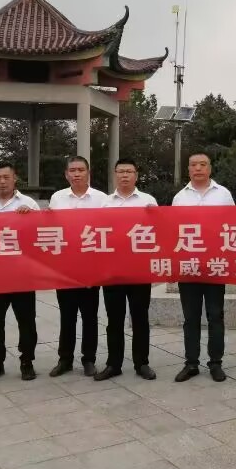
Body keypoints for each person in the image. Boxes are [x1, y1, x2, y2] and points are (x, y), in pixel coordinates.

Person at [171, 153, 235, 382]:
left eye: (203, 164)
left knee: (215, 316)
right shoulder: (179, 197)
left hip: (215, 265)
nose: (198, 168)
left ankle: (215, 363)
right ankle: (191, 363)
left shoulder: (223, 194)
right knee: (191, 318)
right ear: (188, 169)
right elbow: (172, 231)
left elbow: (234, 226)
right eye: (193, 165)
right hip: (188, 266)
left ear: (210, 168)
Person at [0, 162, 40, 382]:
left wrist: (30, 217)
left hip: (22, 273)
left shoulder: (28, 203)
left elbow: (41, 233)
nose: (2, 182)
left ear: (15, 178)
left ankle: (27, 362)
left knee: (26, 321)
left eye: (6, 177)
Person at [97, 158, 158, 381]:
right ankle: (114, 364)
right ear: (115, 175)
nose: (124, 175)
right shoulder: (104, 203)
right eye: (121, 171)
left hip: (139, 270)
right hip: (113, 270)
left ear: (136, 175)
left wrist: (154, 216)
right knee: (114, 320)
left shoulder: (148, 201)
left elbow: (160, 231)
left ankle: (142, 363)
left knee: (140, 318)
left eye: (129, 171)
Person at [47, 156, 107, 377]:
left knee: (90, 317)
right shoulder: (57, 198)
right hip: (65, 268)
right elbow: (48, 227)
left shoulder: (102, 199)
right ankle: (65, 360)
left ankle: (89, 359)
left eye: (81, 170)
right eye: (72, 170)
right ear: (66, 174)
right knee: (67, 316)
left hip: (91, 267)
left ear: (88, 173)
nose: (77, 174)